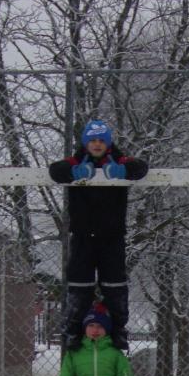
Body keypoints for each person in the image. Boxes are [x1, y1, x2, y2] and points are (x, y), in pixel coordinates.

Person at [48, 118, 148, 351]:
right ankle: (73, 331)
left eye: (100, 140)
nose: (96, 144)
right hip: (83, 235)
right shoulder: (78, 159)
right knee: (79, 285)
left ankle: (119, 329)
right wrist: (74, 171)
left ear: (107, 143)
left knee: (114, 285)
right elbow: (55, 170)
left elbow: (141, 167)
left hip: (112, 236)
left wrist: (123, 171)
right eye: (92, 140)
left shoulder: (118, 158)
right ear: (86, 142)